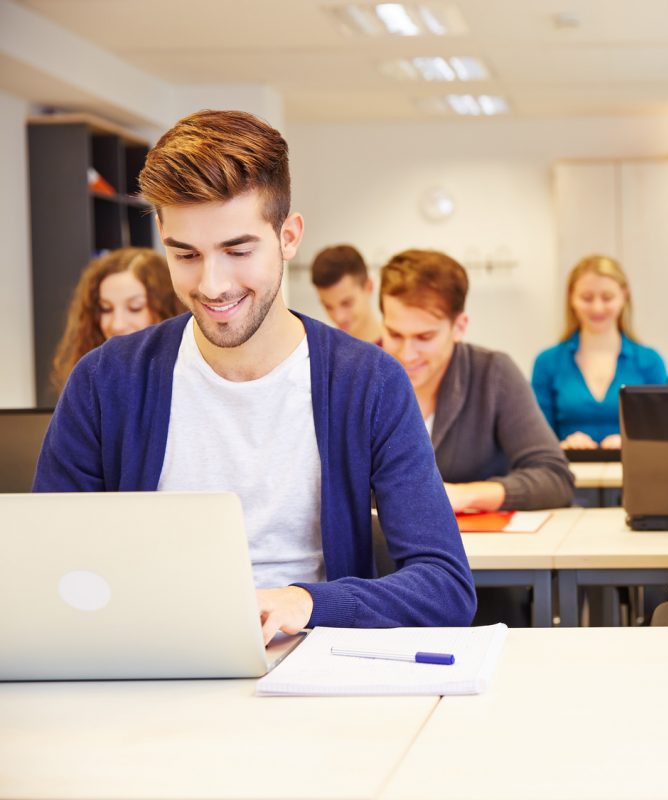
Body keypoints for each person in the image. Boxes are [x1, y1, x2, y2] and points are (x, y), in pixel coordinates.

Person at [34, 110, 475, 642]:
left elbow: (445, 586)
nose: (213, 284)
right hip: (148, 663)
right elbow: (47, 572)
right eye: (186, 254)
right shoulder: (106, 381)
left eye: (238, 250)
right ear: (162, 238)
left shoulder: (369, 382)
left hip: (310, 662)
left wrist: (307, 600)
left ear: (288, 237)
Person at [378, 248, 574, 512]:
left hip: (480, 550)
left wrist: (465, 495)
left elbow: (554, 478)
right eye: (395, 334)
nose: (407, 353)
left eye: (425, 338)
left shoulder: (493, 374)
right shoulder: (361, 378)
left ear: (459, 326)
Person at [532, 255, 668, 449]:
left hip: (634, 475)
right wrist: (562, 445)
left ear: (624, 296)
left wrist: (633, 444)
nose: (597, 307)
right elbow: (537, 438)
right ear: (571, 298)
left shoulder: (650, 361)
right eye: (587, 298)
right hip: (567, 474)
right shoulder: (547, 362)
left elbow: (662, 433)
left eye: (607, 298)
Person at [50, 247, 185, 391]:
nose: (117, 324)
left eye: (135, 308)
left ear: (167, 311)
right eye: (106, 309)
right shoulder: (89, 380)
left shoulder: (186, 378)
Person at [310, 244, 384, 345]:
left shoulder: (400, 353)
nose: (338, 317)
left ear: (369, 287)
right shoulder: (326, 354)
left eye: (346, 303)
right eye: (328, 306)